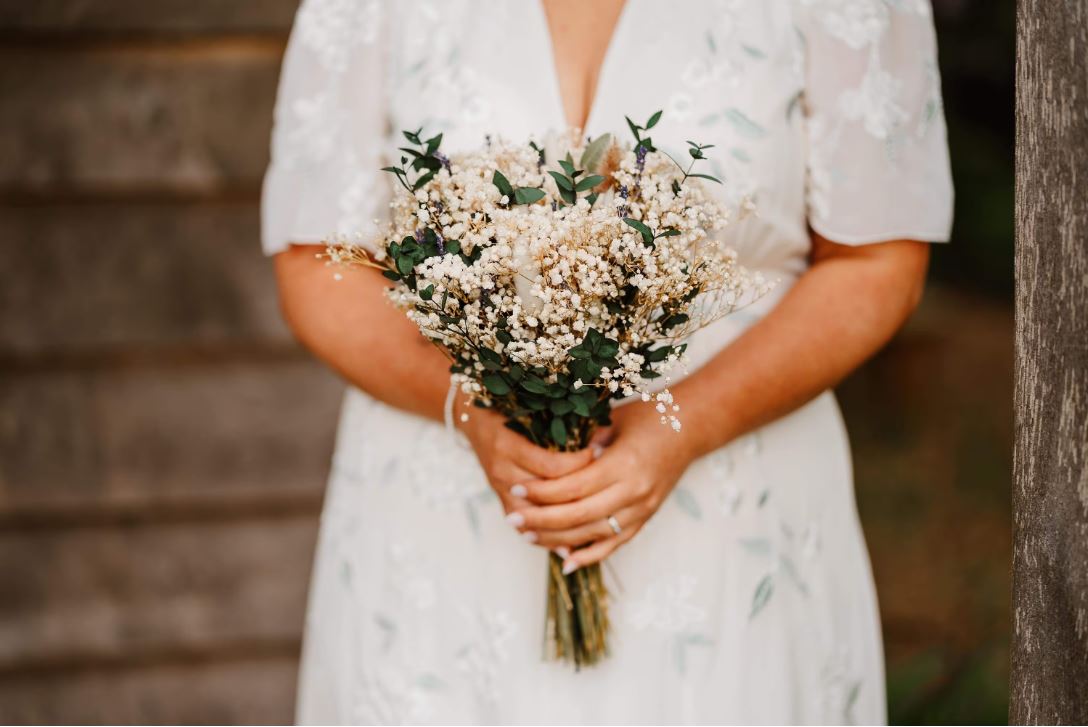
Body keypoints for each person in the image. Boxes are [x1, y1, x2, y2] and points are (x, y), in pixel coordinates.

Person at [262, 0, 953, 723]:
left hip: (731, 520)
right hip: (438, 529)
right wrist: (468, 409)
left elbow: (879, 257)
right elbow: (316, 260)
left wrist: (684, 424)